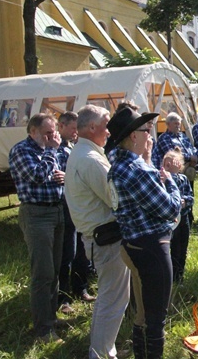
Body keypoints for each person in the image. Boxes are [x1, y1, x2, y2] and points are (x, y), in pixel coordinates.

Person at [106, 108, 181, 359]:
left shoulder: (120, 164)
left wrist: (149, 163)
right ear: (132, 136)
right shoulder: (136, 170)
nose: (149, 133)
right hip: (151, 248)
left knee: (143, 314)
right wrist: (171, 181)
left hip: (134, 244)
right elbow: (170, 208)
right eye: (145, 130)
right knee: (155, 317)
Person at [64, 105, 131, 359]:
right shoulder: (90, 159)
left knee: (110, 298)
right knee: (112, 300)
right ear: (92, 127)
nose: (110, 130)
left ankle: (103, 349)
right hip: (106, 239)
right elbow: (115, 197)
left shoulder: (85, 152)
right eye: (106, 123)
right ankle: (101, 354)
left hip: (99, 237)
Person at [8, 113, 66, 343]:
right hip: (36, 214)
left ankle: (50, 316)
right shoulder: (22, 150)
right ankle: (43, 329)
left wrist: (60, 175)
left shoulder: (47, 151)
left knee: (54, 269)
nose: (52, 137)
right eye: (47, 133)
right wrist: (52, 152)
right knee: (42, 272)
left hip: (56, 210)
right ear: (33, 131)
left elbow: (54, 174)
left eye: (54, 132)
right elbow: (38, 175)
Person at [56, 112, 95, 315]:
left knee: (82, 248)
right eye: (72, 128)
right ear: (61, 126)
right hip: (65, 205)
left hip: (79, 205)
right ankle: (63, 296)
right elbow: (55, 173)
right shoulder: (56, 149)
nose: (75, 132)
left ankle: (81, 288)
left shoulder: (75, 147)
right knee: (67, 252)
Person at [162, 148, 194, 282]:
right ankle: (173, 276)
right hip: (171, 220)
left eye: (173, 164)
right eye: (166, 164)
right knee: (173, 248)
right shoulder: (162, 180)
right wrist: (170, 175)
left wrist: (185, 201)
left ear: (180, 165)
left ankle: (180, 274)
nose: (169, 167)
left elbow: (191, 197)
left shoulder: (183, 179)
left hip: (184, 217)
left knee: (183, 246)